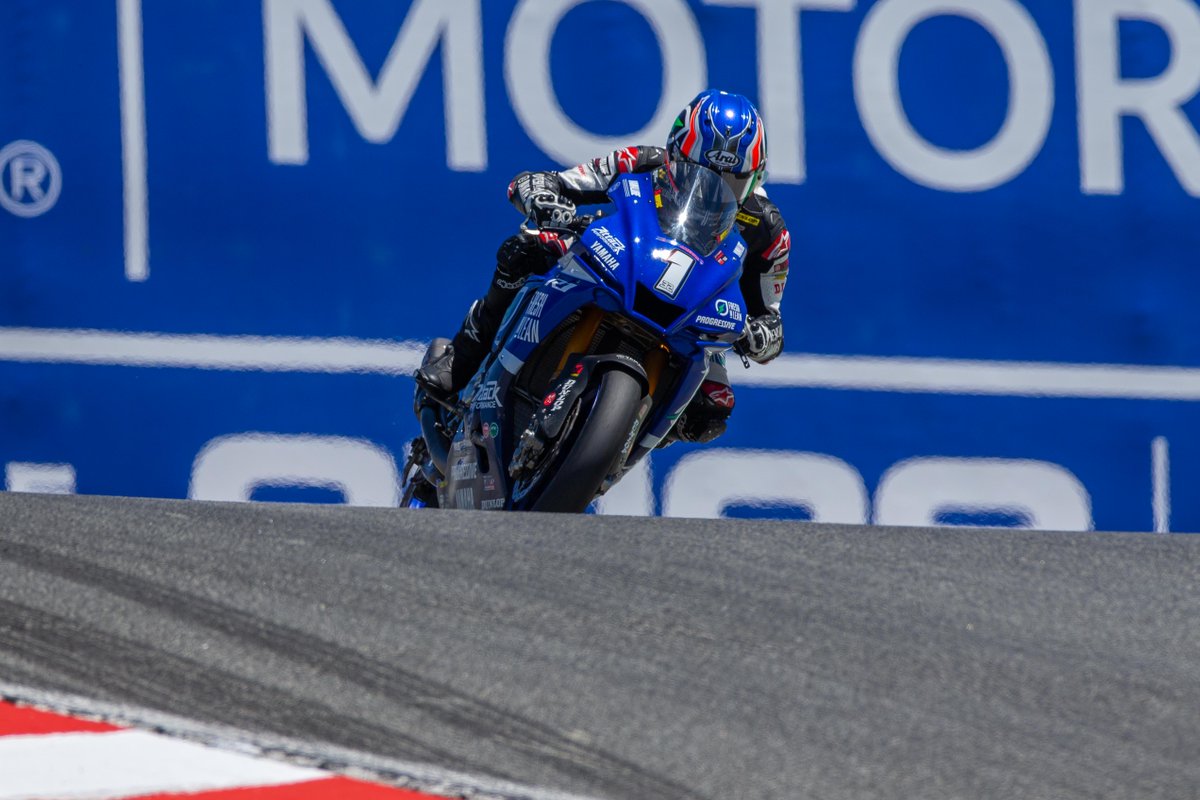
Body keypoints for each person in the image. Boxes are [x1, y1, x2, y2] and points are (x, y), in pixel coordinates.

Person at [416, 89, 790, 445]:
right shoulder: (642, 162)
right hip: (618, 265)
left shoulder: (769, 230)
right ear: (675, 155)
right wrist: (544, 198)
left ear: (755, 179)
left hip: (691, 316)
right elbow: (550, 182)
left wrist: (761, 336)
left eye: (731, 181)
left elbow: (770, 320)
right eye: (698, 172)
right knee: (523, 250)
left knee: (712, 409)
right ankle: (461, 361)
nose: (712, 191)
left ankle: (616, 442)